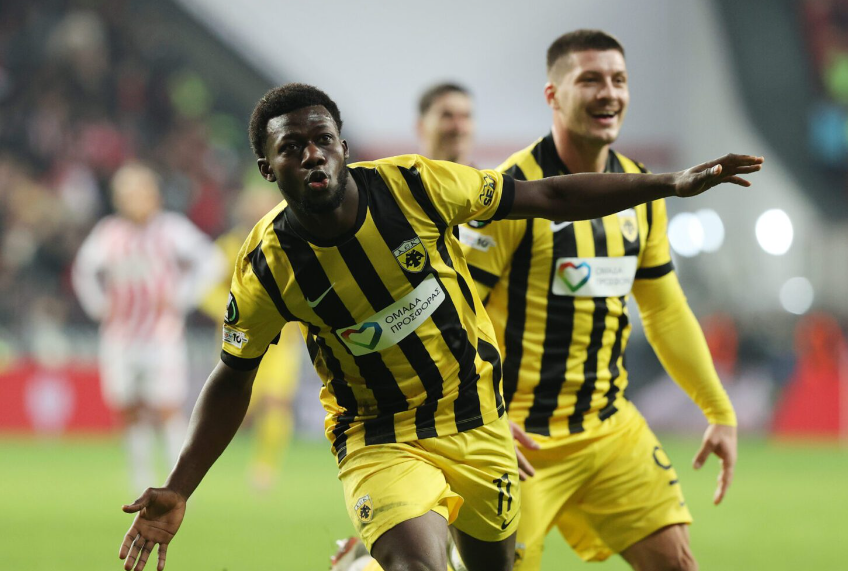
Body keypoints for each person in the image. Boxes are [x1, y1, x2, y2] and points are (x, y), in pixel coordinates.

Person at [116, 82, 761, 571]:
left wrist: (668, 184)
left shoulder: (416, 187)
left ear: (342, 146)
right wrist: (179, 488)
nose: (311, 155)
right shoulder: (266, 265)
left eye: (322, 140)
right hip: (378, 435)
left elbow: (549, 197)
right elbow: (234, 376)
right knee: (417, 566)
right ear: (268, 168)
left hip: (477, 418)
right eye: (290, 148)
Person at [459, 30, 742, 571]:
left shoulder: (642, 188)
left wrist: (718, 410)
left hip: (608, 428)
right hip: (517, 436)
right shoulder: (511, 190)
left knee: (677, 563)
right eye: (590, 80)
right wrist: (480, 417)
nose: (608, 92)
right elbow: (458, 313)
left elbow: (663, 308)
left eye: (618, 80)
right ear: (553, 95)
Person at [72, 162, 226, 493]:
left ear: (153, 195)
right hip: (120, 336)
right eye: (127, 194)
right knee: (128, 408)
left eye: (140, 192)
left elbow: (212, 261)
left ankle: (177, 483)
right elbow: (83, 271)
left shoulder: (171, 229)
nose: (134, 200)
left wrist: (183, 296)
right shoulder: (109, 232)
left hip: (161, 335)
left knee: (167, 407)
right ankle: (139, 479)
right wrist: (99, 305)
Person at [198, 187, 303, 491]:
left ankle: (265, 468)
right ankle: (206, 462)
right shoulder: (227, 248)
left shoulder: (293, 244)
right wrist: (231, 310)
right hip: (240, 340)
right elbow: (205, 290)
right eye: (253, 208)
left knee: (276, 402)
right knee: (237, 408)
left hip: (281, 342)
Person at [416, 83, 475, 165]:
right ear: (421, 126)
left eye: (465, 116)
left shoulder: (485, 173)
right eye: (447, 116)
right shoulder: (401, 172)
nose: (459, 127)